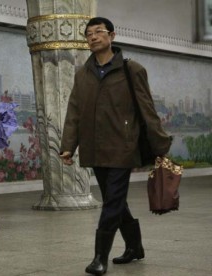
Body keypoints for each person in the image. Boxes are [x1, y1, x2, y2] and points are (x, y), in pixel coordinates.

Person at [59, 17, 171, 275]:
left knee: (112, 202)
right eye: (88, 34)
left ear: (112, 36)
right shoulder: (82, 75)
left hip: (123, 145)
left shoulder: (132, 70)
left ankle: (100, 257)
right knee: (115, 199)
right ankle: (135, 247)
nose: (93, 37)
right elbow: (74, 111)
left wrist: (160, 144)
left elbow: (147, 109)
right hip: (94, 148)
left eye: (99, 32)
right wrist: (69, 145)